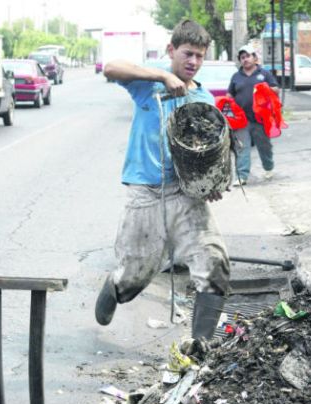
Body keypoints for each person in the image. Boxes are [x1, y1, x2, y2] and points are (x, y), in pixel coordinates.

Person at [96, 20, 230, 341]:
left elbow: (212, 153)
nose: (193, 62)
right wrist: (162, 76)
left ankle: (201, 347)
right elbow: (111, 68)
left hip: (185, 195)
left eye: (199, 56)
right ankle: (115, 288)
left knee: (214, 262)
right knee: (136, 273)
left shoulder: (204, 100)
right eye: (187, 54)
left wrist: (210, 184)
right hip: (145, 191)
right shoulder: (149, 87)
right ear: (171, 50)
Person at [227, 45, 280, 185]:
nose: (245, 60)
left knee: (264, 145)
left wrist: (265, 88)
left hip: (260, 119)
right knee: (242, 147)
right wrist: (228, 105)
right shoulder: (236, 77)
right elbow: (229, 95)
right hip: (241, 120)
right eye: (242, 57)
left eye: (248, 56)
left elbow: (276, 89)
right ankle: (242, 176)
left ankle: (269, 167)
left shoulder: (264, 74)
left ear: (255, 58)